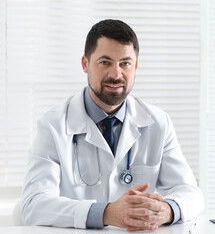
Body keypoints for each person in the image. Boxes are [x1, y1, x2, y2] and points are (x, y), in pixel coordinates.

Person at [20, 19, 204, 231]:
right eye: (105, 62)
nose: (116, 74)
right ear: (85, 64)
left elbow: (192, 193)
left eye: (125, 63)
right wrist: (106, 213)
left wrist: (166, 210)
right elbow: (33, 205)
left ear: (135, 66)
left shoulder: (158, 123)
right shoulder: (53, 125)